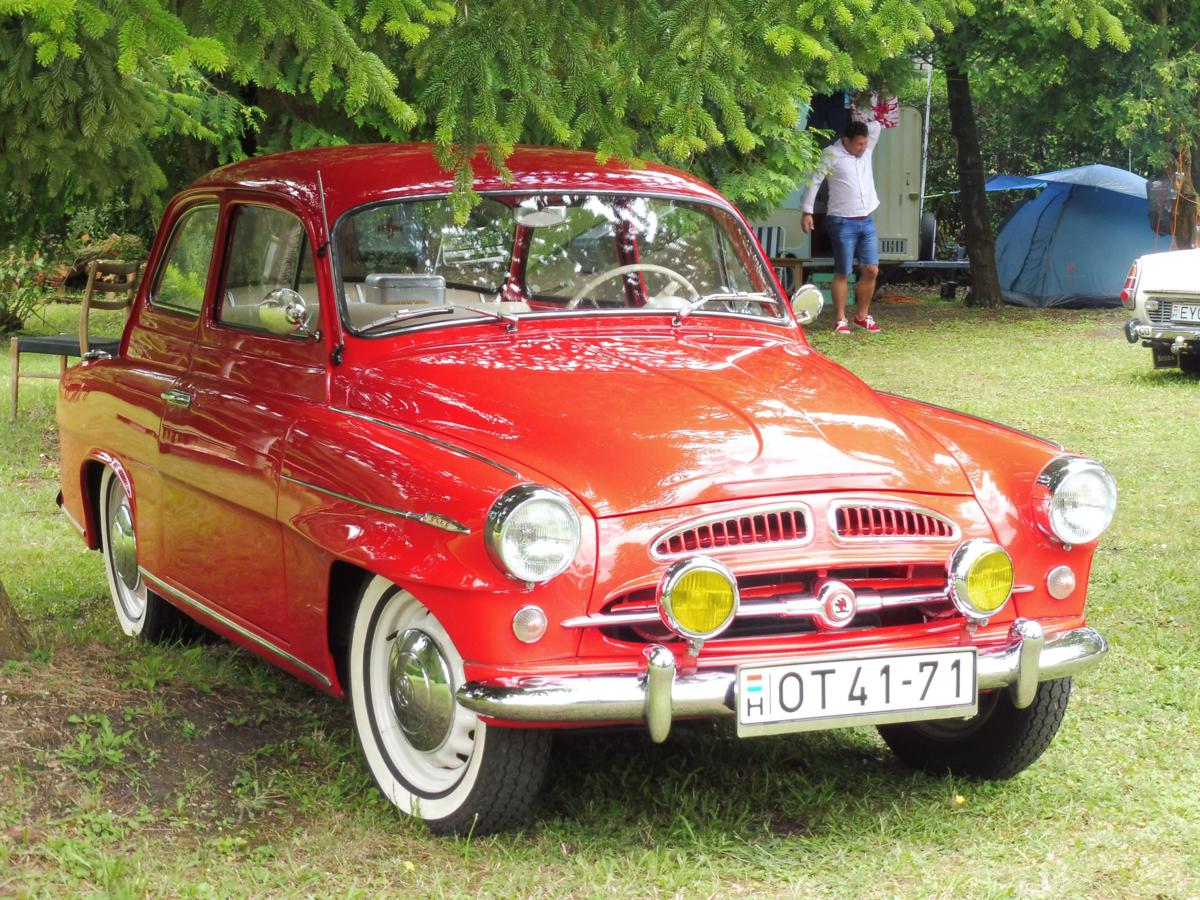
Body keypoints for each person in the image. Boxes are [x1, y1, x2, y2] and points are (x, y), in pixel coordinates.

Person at [801, 118, 883, 334]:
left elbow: (876, 125)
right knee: (843, 271)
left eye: (865, 144)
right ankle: (840, 319)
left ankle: (862, 317)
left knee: (871, 269)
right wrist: (807, 211)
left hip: (866, 219)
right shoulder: (830, 154)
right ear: (845, 140)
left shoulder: (867, 148)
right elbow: (815, 181)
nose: (863, 148)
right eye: (858, 144)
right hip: (842, 220)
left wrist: (864, 105)